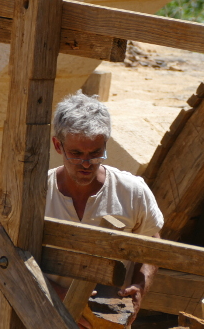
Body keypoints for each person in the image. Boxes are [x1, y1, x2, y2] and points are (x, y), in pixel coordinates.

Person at [45, 91, 164, 328]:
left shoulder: (132, 191)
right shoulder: (36, 193)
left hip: (108, 321)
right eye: (76, 154)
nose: (86, 164)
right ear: (58, 145)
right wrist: (64, 300)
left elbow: (152, 244)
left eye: (95, 153)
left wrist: (140, 286)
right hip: (45, 315)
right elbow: (16, 255)